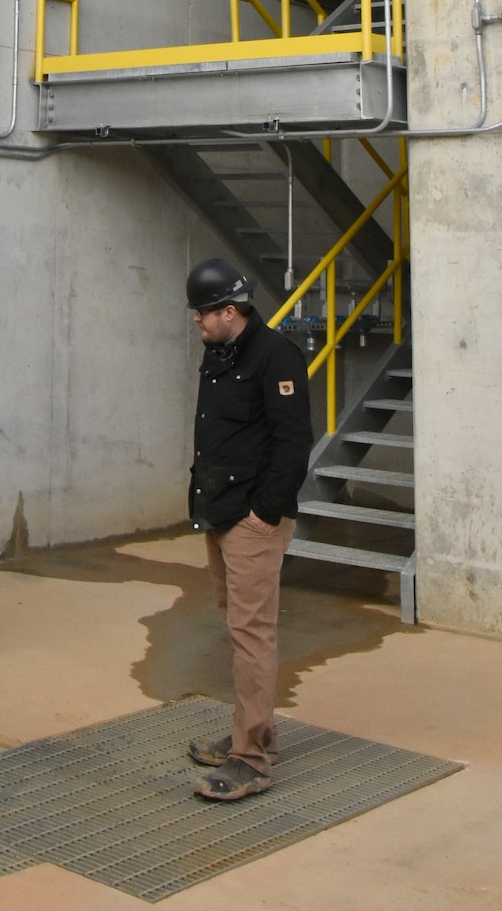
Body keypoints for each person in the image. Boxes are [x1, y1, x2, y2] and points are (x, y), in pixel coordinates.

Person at [184, 256, 312, 802]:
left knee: (252, 635)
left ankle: (251, 758)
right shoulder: (221, 352)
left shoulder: (274, 357)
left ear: (228, 311)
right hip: (220, 510)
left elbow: (293, 444)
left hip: (252, 520)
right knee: (237, 627)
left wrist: (264, 514)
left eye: (202, 314)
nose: (197, 322)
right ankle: (251, 732)